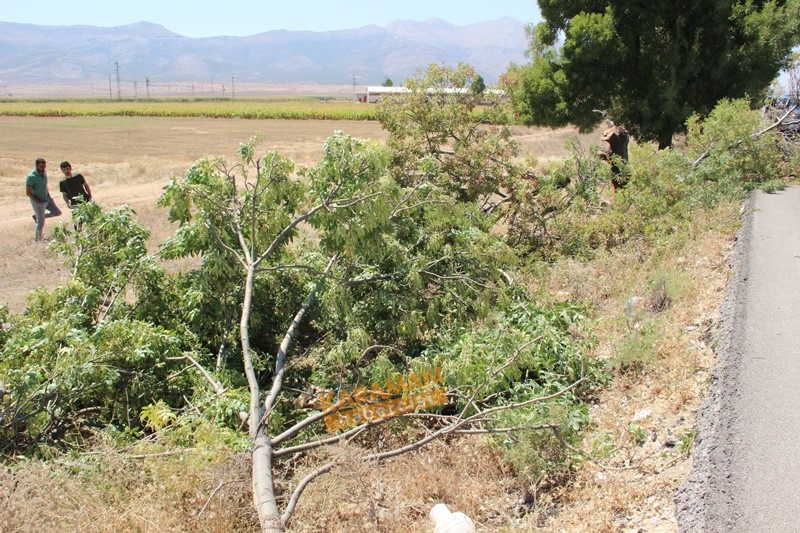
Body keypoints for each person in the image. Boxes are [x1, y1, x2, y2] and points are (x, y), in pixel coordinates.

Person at [25, 158, 62, 242]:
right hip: (38, 202)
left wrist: (48, 195)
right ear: (36, 165)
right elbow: (28, 192)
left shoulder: (44, 173)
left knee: (57, 212)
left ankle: (37, 217)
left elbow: (44, 185)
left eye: (44, 166)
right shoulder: (31, 177)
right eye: (41, 166)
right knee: (41, 222)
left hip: (47, 199)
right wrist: (38, 201)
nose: (43, 168)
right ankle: (38, 240)